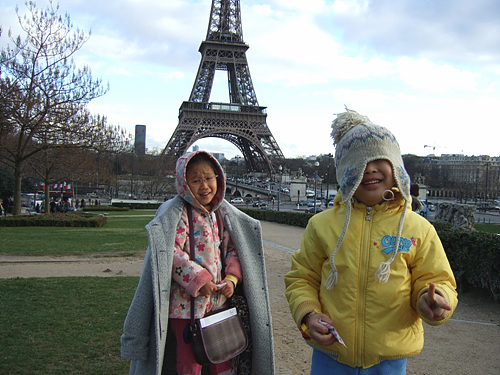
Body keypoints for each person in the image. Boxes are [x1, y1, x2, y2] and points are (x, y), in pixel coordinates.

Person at [285, 109, 458, 374]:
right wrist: (308, 314)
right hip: (331, 352)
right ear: (345, 174)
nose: (370, 168)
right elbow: (302, 278)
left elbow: (436, 278)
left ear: (396, 168)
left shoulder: (418, 228)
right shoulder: (320, 226)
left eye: (380, 159)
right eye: (359, 163)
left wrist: (430, 299)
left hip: (389, 356)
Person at [121, 151, 275, 375]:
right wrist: (199, 279)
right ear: (184, 184)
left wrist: (232, 279)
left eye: (209, 178)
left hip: (218, 305)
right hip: (185, 310)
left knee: (223, 359)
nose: (204, 186)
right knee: (189, 363)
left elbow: (232, 250)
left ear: (219, 178)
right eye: (196, 180)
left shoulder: (219, 215)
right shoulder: (181, 214)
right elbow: (169, 252)